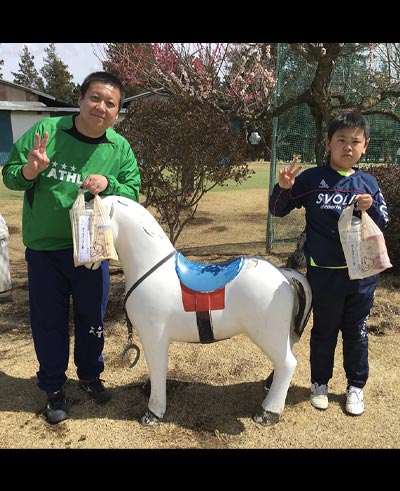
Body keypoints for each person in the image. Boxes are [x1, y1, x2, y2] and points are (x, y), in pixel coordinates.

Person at [2, 71, 141, 424]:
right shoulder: (46, 133)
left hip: (92, 247)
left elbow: (133, 190)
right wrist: (32, 170)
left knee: (91, 317)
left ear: (117, 111)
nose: (102, 107)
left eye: (111, 103)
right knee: (48, 322)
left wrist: (109, 182)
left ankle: (91, 376)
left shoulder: (118, 147)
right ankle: (53, 388)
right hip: (46, 249)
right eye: (95, 98)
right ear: (80, 99)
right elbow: (11, 174)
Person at [269, 112, 389, 416]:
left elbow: (384, 222)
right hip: (323, 276)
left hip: (362, 277)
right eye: (341, 140)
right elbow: (277, 210)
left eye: (355, 142)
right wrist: (283, 187)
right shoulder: (312, 179)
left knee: (356, 331)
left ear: (365, 146)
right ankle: (319, 383)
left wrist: (371, 208)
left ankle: (355, 387)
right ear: (328, 143)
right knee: (324, 331)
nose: (347, 147)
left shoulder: (369, 183)